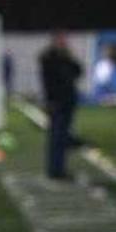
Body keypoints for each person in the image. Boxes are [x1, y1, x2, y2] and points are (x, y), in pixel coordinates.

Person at [39, 32, 83, 179]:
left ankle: (58, 168)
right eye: (61, 40)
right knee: (57, 137)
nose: (64, 42)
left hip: (67, 101)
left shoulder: (65, 58)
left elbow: (78, 71)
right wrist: (49, 101)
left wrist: (69, 57)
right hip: (57, 102)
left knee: (61, 136)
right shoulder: (49, 58)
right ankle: (55, 170)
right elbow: (49, 81)